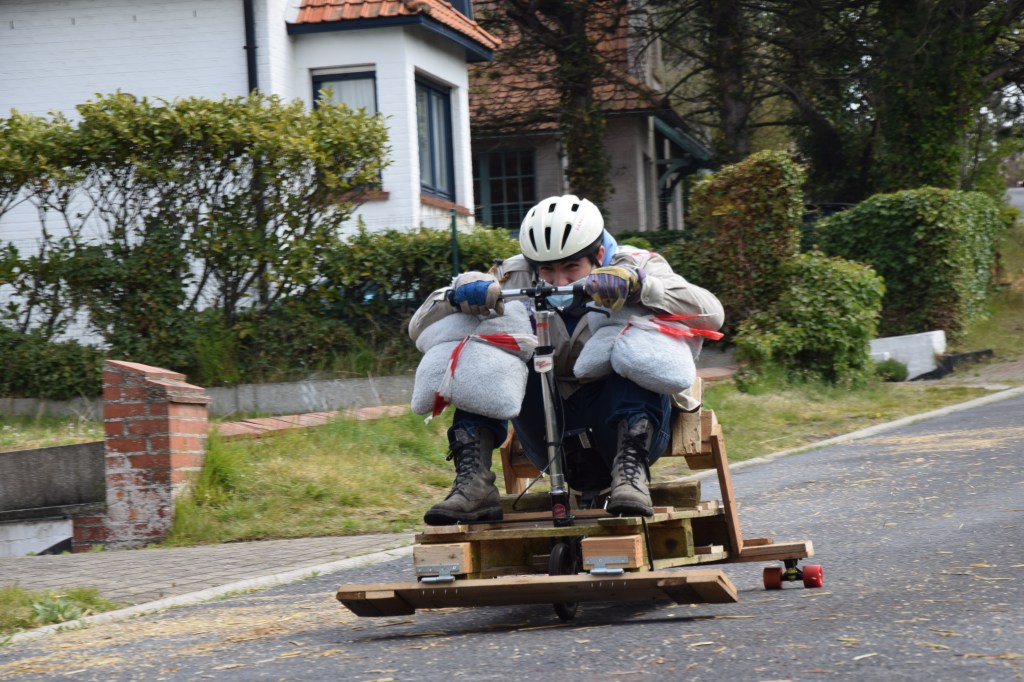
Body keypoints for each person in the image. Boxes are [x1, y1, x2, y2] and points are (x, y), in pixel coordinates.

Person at [408, 195, 724, 526]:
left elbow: (713, 315)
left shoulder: (637, 264)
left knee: (633, 351)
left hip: (627, 428)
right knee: (488, 346)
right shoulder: (512, 275)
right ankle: (474, 485)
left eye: (572, 267)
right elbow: (417, 327)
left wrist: (640, 288)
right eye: (547, 269)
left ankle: (631, 478)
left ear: (598, 256)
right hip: (550, 435)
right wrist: (457, 295)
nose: (559, 281)